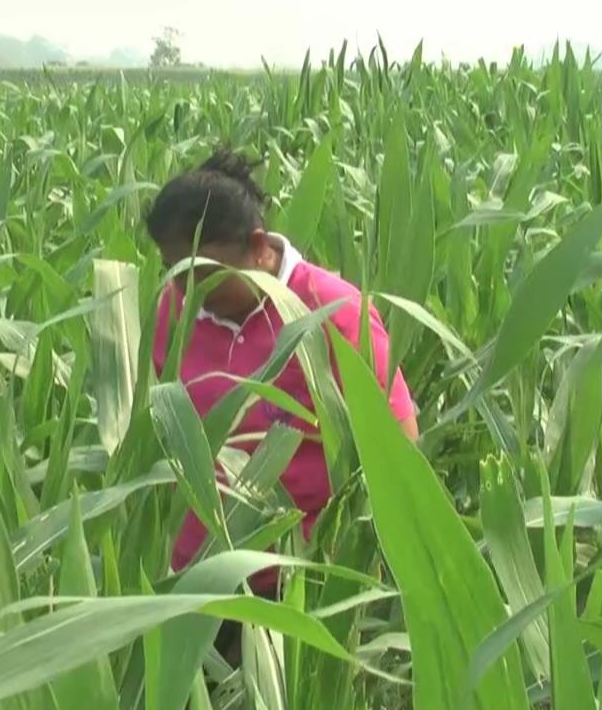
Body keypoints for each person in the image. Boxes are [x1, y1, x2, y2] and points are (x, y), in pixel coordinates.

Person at [146, 149, 418, 653]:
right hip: (198, 571)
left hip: (298, 580)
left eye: (201, 270)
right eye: (172, 268)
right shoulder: (175, 308)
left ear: (256, 247)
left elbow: (399, 440)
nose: (185, 288)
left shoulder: (330, 311)